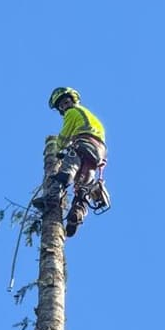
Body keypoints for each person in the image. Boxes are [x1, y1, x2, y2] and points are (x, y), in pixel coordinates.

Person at [34, 87, 109, 237]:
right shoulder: (92, 117)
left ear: (72, 101)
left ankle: (52, 198)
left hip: (83, 144)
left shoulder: (72, 112)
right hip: (98, 153)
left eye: (65, 102)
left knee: (68, 171)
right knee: (83, 186)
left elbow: (64, 135)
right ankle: (76, 215)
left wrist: (57, 149)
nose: (64, 106)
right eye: (61, 105)